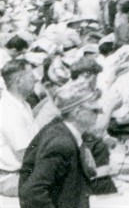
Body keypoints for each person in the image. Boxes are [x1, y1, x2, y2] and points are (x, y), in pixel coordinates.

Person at [19, 82, 104, 208]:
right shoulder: (61, 144)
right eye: (95, 110)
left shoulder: (61, 128)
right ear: (77, 112)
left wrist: (85, 147)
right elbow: (32, 193)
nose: (100, 113)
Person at [0, 60, 39, 197]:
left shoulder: (22, 105)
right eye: (31, 76)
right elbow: (26, 155)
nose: (36, 79)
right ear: (19, 80)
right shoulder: (9, 110)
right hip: (11, 179)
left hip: (22, 174)